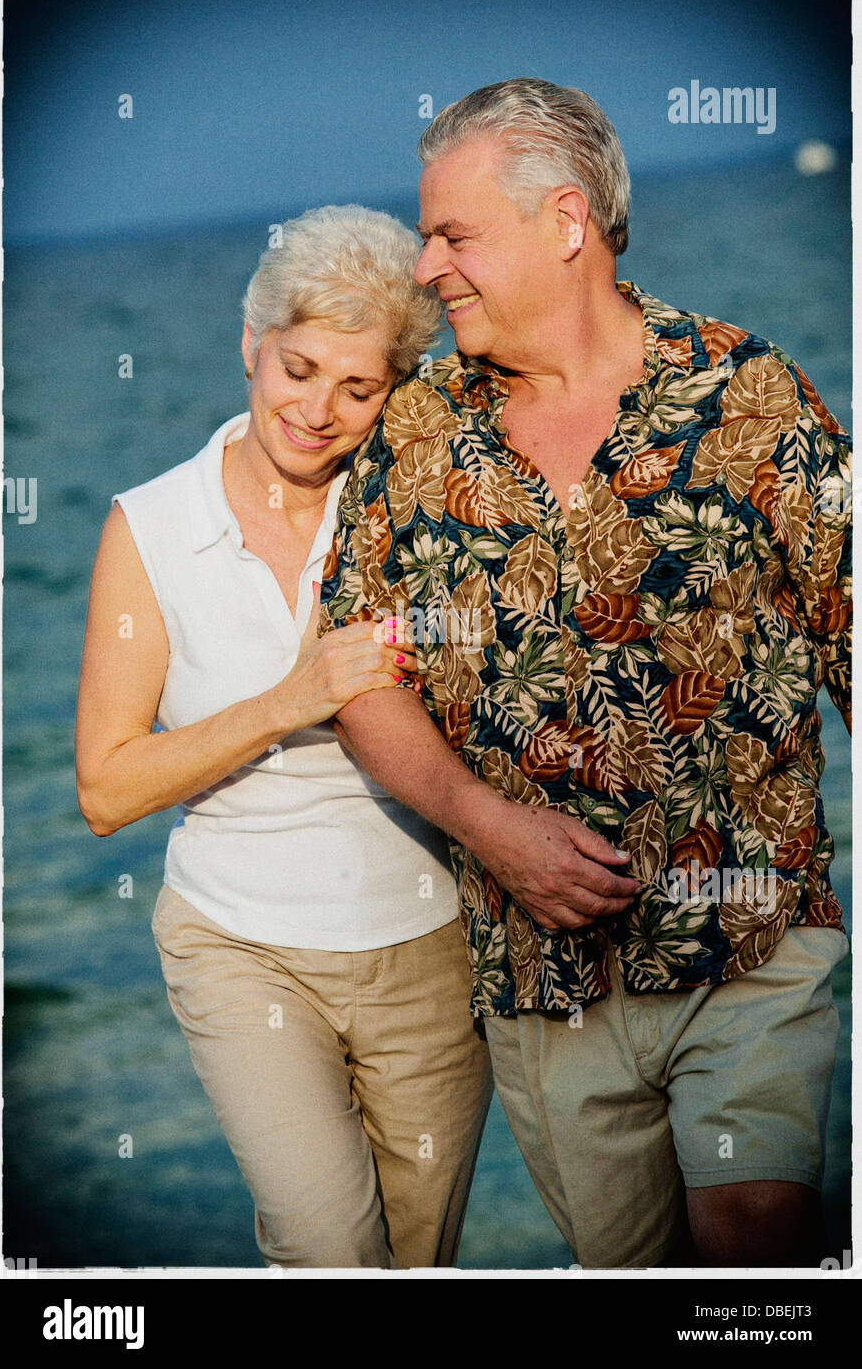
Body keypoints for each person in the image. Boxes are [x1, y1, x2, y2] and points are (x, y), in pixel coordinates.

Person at [319, 79, 852, 1269]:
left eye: (451, 235)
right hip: (539, 983)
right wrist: (485, 825)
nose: (423, 267)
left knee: (755, 1246)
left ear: (563, 222)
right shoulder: (415, 435)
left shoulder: (747, 398)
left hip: (751, 951)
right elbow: (355, 673)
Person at [75, 204, 493, 1269]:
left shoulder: (416, 505)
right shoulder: (150, 526)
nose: (317, 410)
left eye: (358, 389)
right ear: (250, 346)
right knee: (326, 1241)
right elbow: (106, 788)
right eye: (297, 368)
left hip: (429, 942)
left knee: (416, 1255)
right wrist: (285, 697)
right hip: (241, 945)